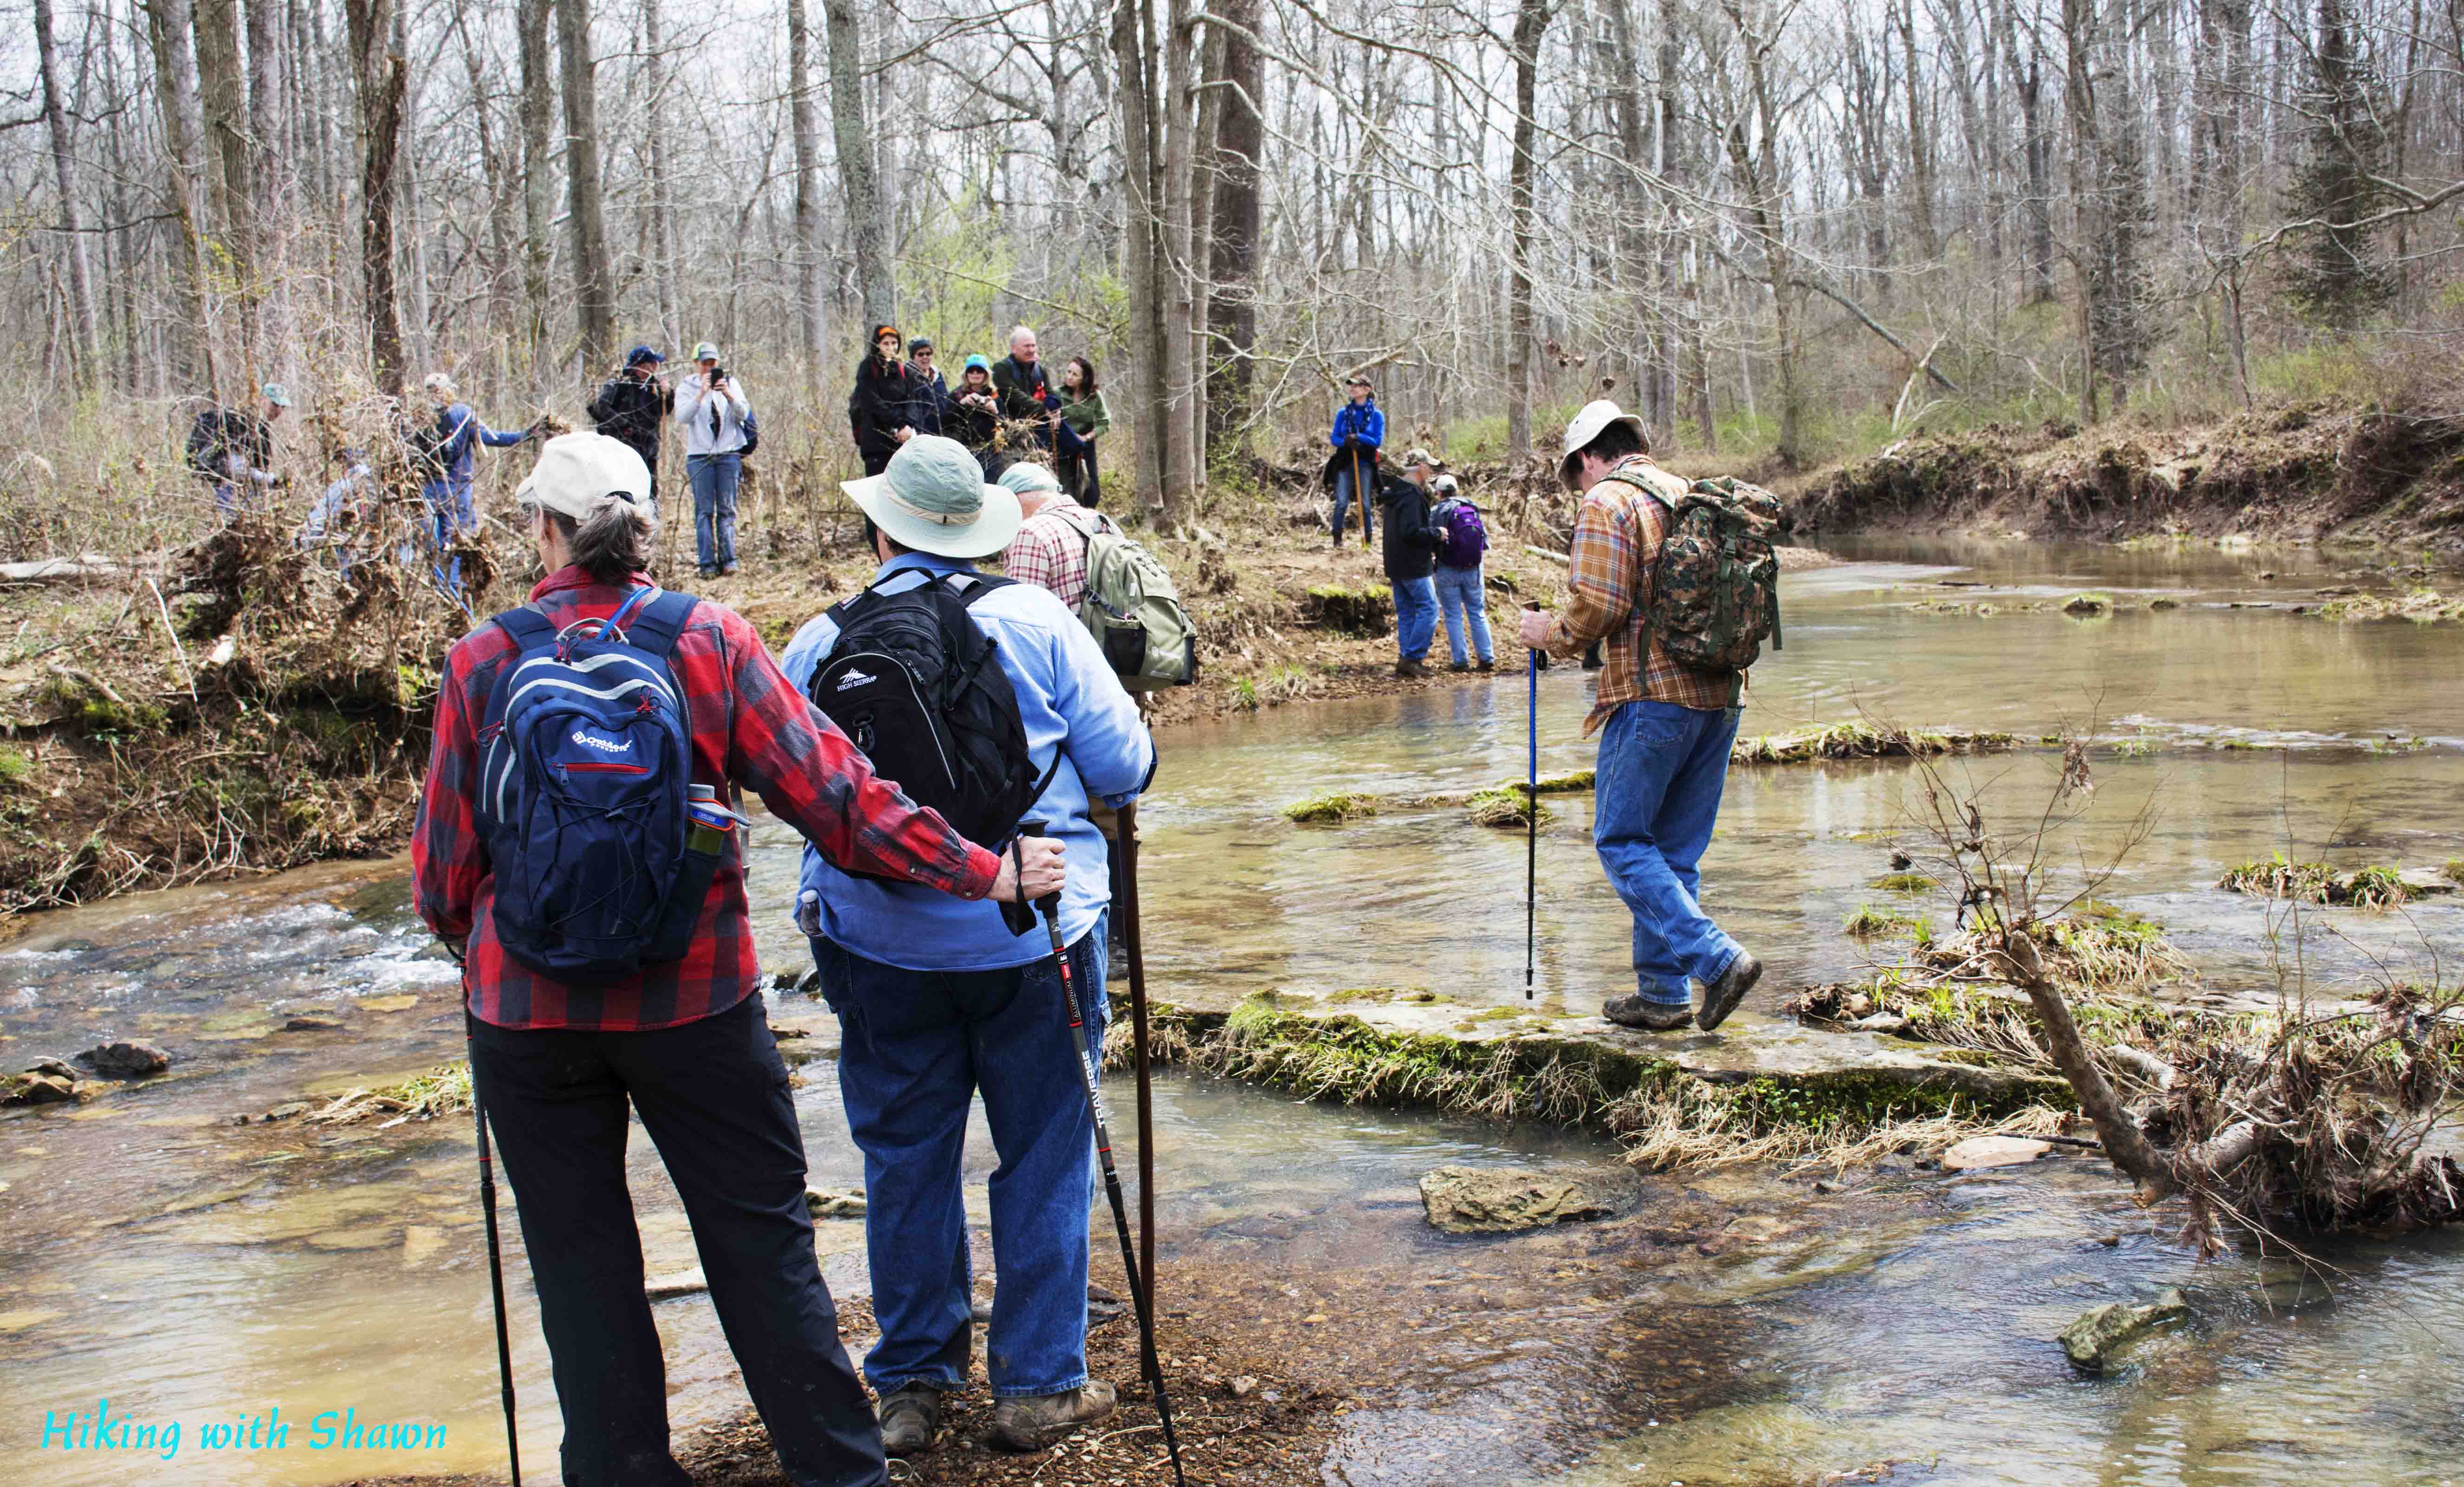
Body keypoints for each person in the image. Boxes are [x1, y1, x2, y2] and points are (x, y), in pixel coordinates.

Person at [414, 431, 1066, 1487]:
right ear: (645, 526)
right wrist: (982, 871)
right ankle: (839, 1474)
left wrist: (479, 955)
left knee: (581, 1272)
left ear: (541, 530)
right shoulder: (709, 640)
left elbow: (444, 872)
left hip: (525, 1019)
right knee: (761, 1254)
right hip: (696, 1008)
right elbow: (842, 804)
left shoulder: (484, 659)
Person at [781, 435, 1153, 1459]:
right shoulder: (1038, 622)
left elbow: (793, 794)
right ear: (978, 530)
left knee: (904, 1156)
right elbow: (1126, 765)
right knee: (1043, 1149)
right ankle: (1036, 1386)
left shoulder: (817, 643)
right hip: (1033, 935)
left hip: (879, 942)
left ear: (883, 524)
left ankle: (909, 1385)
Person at [1516, 400, 1763, 1034]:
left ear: (1588, 457)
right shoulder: (1686, 493)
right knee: (1675, 852)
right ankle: (1662, 993)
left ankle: (1717, 959)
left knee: (1622, 841)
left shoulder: (1608, 502)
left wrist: (1547, 633)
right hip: (1721, 696)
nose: (1578, 487)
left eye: (1574, 475)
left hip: (1651, 696)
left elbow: (1597, 607)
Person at [413, 372, 535, 593]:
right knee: (460, 538)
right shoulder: (462, 414)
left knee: (437, 540)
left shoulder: (418, 417)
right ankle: (454, 589)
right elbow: (492, 438)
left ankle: (442, 588)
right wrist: (525, 435)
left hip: (430, 488)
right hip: (457, 487)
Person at [675, 341, 751, 578]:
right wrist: (701, 395)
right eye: (705, 363)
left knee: (727, 510)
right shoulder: (686, 387)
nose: (709, 368)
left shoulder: (731, 383)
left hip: (728, 454)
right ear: (696, 364)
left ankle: (729, 560)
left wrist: (727, 394)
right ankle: (707, 564)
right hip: (700, 456)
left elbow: (744, 414)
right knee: (704, 511)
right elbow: (683, 417)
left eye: (713, 363)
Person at [1380, 449, 1445, 678]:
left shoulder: (1393, 493)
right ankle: (1413, 657)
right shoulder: (1412, 496)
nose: (1431, 471)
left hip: (1395, 563)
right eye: (1429, 466)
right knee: (1429, 610)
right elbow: (1411, 532)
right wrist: (1437, 533)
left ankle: (1406, 658)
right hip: (1414, 565)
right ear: (1420, 467)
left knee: (1407, 612)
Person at [587, 346, 674, 513]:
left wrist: (668, 394)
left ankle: (650, 528)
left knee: (650, 490)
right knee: (624, 491)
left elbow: (665, 411)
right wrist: (624, 425)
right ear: (642, 365)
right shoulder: (621, 384)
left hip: (649, 449)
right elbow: (600, 409)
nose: (656, 367)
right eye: (652, 363)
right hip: (622, 449)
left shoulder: (654, 386)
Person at [186, 382, 290, 513]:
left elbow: (260, 465)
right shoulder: (240, 421)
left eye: (283, 407)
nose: (279, 411)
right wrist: (272, 481)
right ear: (263, 400)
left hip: (234, 484)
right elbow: (236, 466)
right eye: (275, 404)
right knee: (231, 518)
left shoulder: (260, 426)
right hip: (226, 483)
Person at [1428, 473, 1495, 672]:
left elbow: (1432, 540)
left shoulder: (1436, 511)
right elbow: (1483, 540)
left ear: (1439, 493)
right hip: (1473, 568)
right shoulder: (1471, 506)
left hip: (1447, 569)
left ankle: (1461, 661)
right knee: (1478, 613)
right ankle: (1487, 657)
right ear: (1456, 490)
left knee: (1453, 615)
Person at [848, 324, 927, 477]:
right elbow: (872, 401)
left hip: (903, 442)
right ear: (878, 345)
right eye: (886, 343)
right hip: (876, 442)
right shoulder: (868, 368)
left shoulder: (903, 370)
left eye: (894, 343)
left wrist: (908, 426)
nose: (890, 347)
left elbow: (912, 401)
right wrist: (898, 424)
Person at [1323, 375, 1383, 547]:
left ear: (1367, 390)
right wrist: (1346, 442)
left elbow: (1377, 441)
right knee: (1342, 502)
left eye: (1357, 386)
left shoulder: (1377, 416)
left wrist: (1359, 437)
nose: (1352, 389)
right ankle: (1337, 539)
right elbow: (1335, 438)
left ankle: (1367, 540)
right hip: (1344, 462)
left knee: (1364, 504)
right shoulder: (1343, 413)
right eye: (1351, 386)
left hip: (1365, 463)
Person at [1051, 356, 1109, 509]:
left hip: (1085, 446)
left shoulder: (1094, 397)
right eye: (1068, 372)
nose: (1069, 377)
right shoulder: (1058, 393)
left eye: (1075, 374)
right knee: (1065, 485)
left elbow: (1105, 422)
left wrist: (1087, 437)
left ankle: (1087, 514)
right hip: (1063, 445)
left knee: (1090, 486)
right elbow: (1049, 413)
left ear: (1084, 378)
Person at [990, 325, 1053, 455]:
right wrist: (1044, 409)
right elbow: (1014, 395)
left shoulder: (1040, 371)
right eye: (1026, 346)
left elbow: (1051, 394)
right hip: (1012, 434)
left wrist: (1055, 409)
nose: (1031, 350)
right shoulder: (1001, 369)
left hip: (1041, 431)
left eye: (1033, 346)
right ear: (1013, 348)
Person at [946, 355, 1003, 478]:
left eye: (980, 370)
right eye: (971, 371)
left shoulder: (995, 395)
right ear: (966, 374)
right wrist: (961, 405)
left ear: (986, 374)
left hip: (990, 452)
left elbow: (1006, 424)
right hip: (964, 450)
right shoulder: (956, 395)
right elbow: (945, 421)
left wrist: (995, 411)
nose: (975, 374)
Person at [906, 338, 948, 436]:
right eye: (920, 354)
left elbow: (946, 401)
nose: (925, 357)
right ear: (913, 357)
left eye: (928, 354)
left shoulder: (938, 375)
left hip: (942, 431)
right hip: (920, 433)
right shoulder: (907, 376)